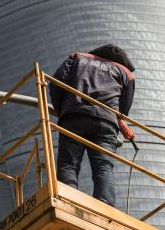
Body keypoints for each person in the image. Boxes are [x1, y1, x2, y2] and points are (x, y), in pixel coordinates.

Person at [49, 44, 136, 207]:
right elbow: (124, 107)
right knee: (103, 167)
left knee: (69, 164)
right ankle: (105, 207)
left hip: (74, 115)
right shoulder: (125, 73)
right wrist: (114, 117)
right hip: (106, 121)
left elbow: (55, 84)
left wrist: (63, 110)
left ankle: (68, 202)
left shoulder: (77, 58)